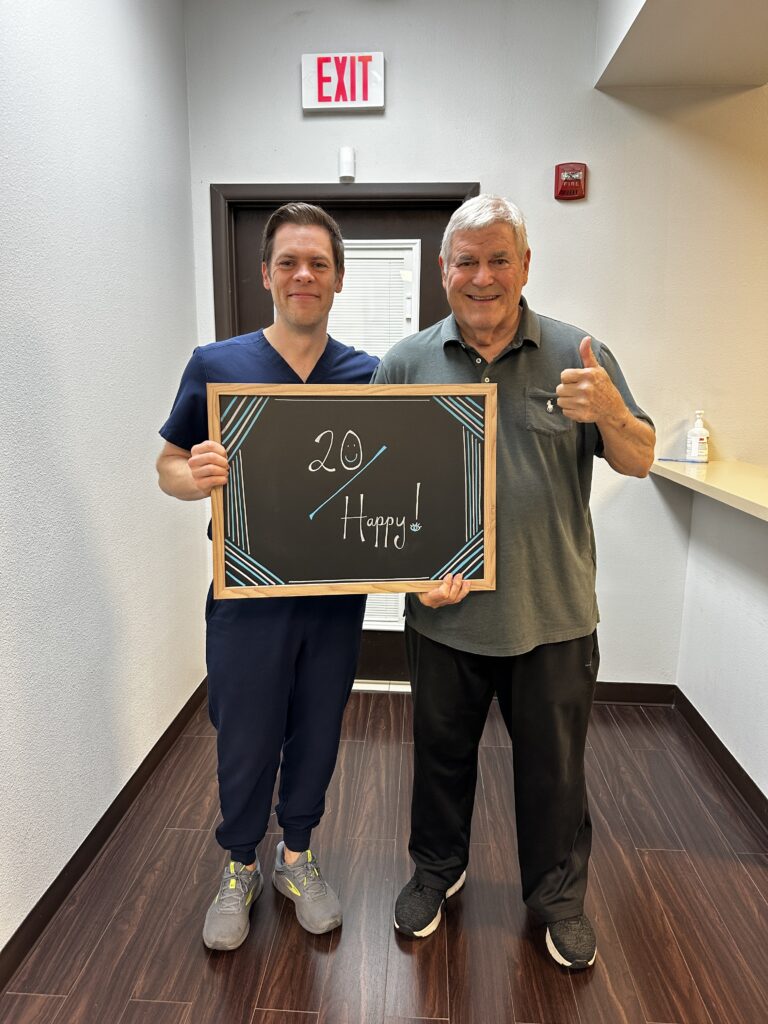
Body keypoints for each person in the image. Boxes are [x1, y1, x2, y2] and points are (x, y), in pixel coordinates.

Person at [373, 194, 655, 970]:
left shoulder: (580, 352)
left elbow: (640, 458)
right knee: (437, 758)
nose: (484, 276)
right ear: (443, 271)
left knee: (555, 773)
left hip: (554, 617)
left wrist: (611, 414)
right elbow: (375, 496)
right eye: (467, 260)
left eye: (500, 258)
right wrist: (409, 573)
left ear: (526, 266)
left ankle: (558, 900)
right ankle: (436, 872)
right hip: (442, 622)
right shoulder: (403, 363)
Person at [156, 203, 378, 950]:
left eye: (318, 262)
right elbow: (167, 465)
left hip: (333, 597)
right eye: (288, 262)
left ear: (338, 278)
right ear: (265, 276)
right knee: (245, 735)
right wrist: (195, 474)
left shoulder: (369, 377)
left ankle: (297, 858)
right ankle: (240, 864)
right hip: (247, 594)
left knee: (318, 729)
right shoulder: (216, 366)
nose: (303, 275)